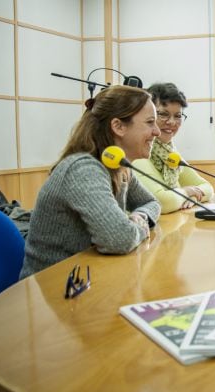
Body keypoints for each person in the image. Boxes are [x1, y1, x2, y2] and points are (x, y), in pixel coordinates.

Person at [20, 86, 161, 279]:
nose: (157, 131)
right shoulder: (82, 169)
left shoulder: (119, 166)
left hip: (89, 277)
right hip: (54, 290)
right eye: (150, 122)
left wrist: (139, 217)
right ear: (118, 126)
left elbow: (151, 203)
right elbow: (118, 239)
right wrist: (140, 229)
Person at [133, 83, 213, 213]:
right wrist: (186, 192)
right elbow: (161, 202)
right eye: (163, 114)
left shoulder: (168, 152)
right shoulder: (137, 151)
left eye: (178, 116)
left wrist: (193, 196)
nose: (172, 122)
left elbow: (207, 187)